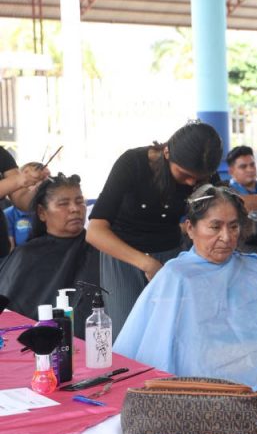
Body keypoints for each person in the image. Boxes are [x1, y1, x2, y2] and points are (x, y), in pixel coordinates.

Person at [114, 185, 257, 433]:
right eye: (215, 227)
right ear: (190, 228)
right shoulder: (176, 276)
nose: (226, 237)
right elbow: (156, 345)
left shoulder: (256, 269)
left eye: (234, 227)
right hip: (204, 391)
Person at [87, 120, 222, 340]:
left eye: (199, 178)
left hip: (172, 256)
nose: (191, 183)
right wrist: (146, 263)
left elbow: (218, 214)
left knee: (173, 335)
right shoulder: (132, 163)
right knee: (127, 336)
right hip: (124, 257)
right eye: (185, 174)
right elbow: (95, 231)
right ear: (167, 152)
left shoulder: (204, 173)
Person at [0, 173, 99, 337]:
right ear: (41, 212)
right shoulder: (26, 255)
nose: (75, 209)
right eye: (63, 203)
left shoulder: (99, 250)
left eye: (79, 201)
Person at [226, 145, 257, 263]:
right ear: (231, 171)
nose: (250, 169)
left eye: (252, 165)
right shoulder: (226, 192)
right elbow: (239, 202)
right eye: (243, 167)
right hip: (244, 242)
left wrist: (256, 203)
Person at [0, 145, 49, 212]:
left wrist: (39, 186)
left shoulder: (2, 154)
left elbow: (21, 201)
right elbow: (19, 180)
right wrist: (20, 180)